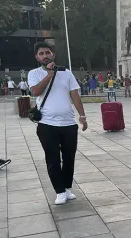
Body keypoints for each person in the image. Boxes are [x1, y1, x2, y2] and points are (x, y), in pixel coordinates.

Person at [28, 42, 88, 205]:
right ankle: (59, 191)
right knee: (53, 159)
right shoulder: (34, 74)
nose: (45, 56)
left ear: (53, 54)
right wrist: (49, 75)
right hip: (47, 124)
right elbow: (35, 92)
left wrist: (82, 115)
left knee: (69, 158)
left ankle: (67, 187)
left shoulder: (66, 73)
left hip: (68, 124)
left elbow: (75, 95)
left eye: (47, 52)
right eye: (41, 53)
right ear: (37, 57)